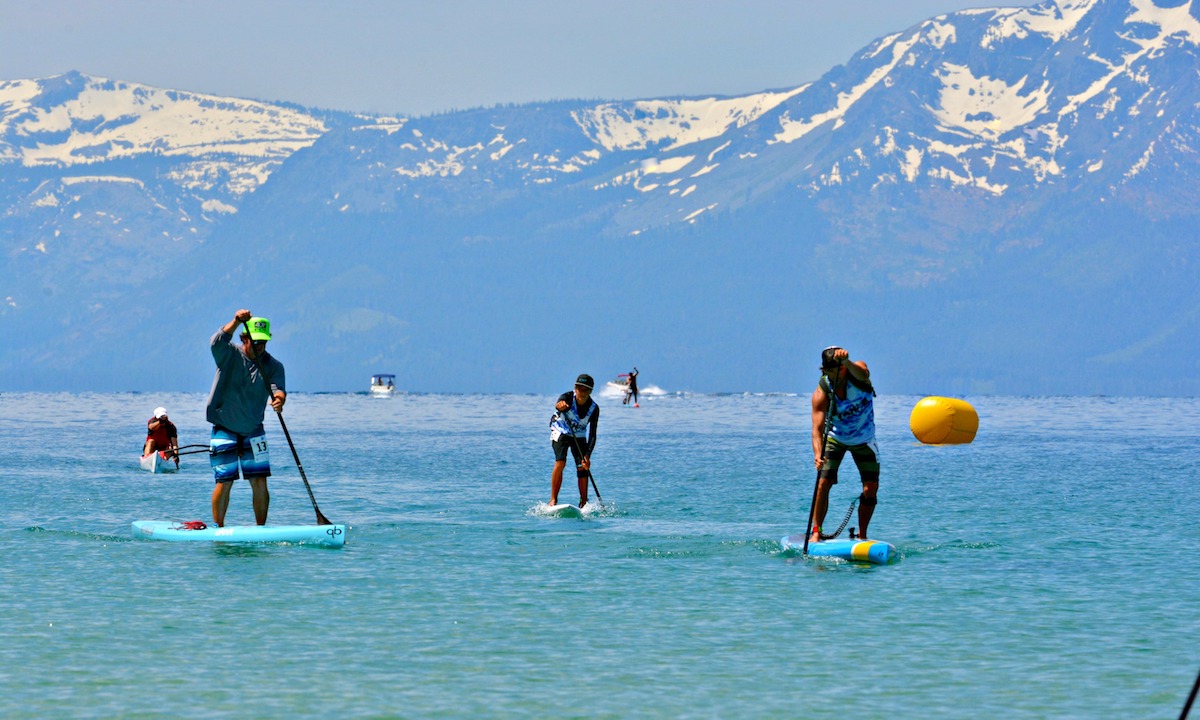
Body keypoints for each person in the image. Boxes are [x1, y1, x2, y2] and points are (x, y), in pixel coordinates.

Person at [206, 309, 286, 527]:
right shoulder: (228, 354)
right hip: (224, 428)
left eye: (263, 342)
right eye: (255, 341)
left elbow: (278, 389)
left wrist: (279, 400)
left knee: (259, 480)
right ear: (244, 339)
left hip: (254, 430)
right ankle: (218, 529)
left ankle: (261, 528)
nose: (259, 346)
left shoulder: (274, 366)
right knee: (225, 480)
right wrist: (236, 321)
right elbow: (216, 341)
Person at [809, 346, 879, 543]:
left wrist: (846, 362)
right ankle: (816, 532)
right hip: (835, 438)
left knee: (870, 488)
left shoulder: (857, 372)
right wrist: (817, 454)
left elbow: (864, 374)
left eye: (841, 370)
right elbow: (817, 428)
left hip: (864, 439)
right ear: (825, 371)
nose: (838, 375)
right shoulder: (822, 390)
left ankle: (863, 536)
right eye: (833, 371)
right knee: (823, 482)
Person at [549, 373, 600, 507]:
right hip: (560, 430)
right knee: (560, 462)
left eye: (586, 390)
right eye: (579, 388)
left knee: (582, 466)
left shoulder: (594, 408)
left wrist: (587, 455)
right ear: (575, 388)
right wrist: (559, 406)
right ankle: (553, 499)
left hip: (578, 434)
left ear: (590, 391)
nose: (581, 392)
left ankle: (583, 502)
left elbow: (593, 434)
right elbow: (558, 404)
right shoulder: (567, 397)